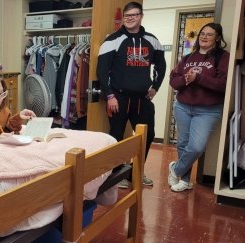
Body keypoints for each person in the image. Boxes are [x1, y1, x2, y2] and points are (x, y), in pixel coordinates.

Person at [96, 1, 166, 187]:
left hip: (142, 99)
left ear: (141, 16)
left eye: (134, 15)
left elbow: (161, 66)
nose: (130, 18)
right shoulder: (112, 40)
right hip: (118, 98)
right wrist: (110, 95)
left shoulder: (152, 40)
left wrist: (155, 87)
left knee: (147, 135)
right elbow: (102, 71)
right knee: (116, 136)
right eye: (127, 15)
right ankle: (117, 173)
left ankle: (136, 172)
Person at [168, 23, 229, 192]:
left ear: (217, 38)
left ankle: (175, 169)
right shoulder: (188, 57)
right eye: (203, 33)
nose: (204, 37)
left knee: (196, 147)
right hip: (182, 107)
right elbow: (174, 80)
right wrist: (186, 79)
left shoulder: (223, 57)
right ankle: (185, 180)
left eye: (210, 34)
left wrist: (198, 77)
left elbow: (223, 84)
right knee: (182, 144)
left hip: (208, 110)